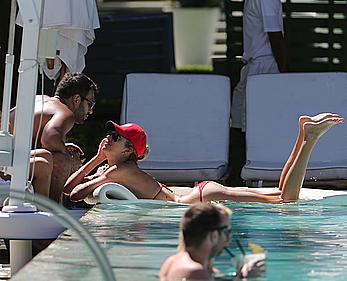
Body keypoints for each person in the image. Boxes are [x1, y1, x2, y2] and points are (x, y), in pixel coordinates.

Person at [64, 112, 343, 204]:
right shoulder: (117, 169)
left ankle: (309, 140)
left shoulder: (116, 171)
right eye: (110, 135)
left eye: (115, 138)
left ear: (127, 151)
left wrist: (97, 159)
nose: (107, 139)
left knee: (286, 201)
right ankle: (303, 134)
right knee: (282, 195)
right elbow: (68, 190)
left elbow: (74, 194)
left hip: (198, 198)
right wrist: (101, 157)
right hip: (200, 193)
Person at [7, 72, 98, 202]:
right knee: (62, 159)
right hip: (9, 167)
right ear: (76, 99)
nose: (91, 111)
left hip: (7, 159)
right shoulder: (66, 113)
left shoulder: (40, 99)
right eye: (90, 104)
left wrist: (62, 145)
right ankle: (53, 212)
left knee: (55, 154)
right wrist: (69, 157)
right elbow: (49, 139)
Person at [229, 0, 288, 185]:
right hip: (264, 67)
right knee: (246, 124)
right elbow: (275, 37)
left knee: (245, 124)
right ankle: (240, 176)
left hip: (258, 65)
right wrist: (288, 75)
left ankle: (241, 177)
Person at [159, 203, 264, 281]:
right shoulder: (195, 272)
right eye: (227, 232)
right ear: (213, 235)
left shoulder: (171, 262)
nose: (229, 238)